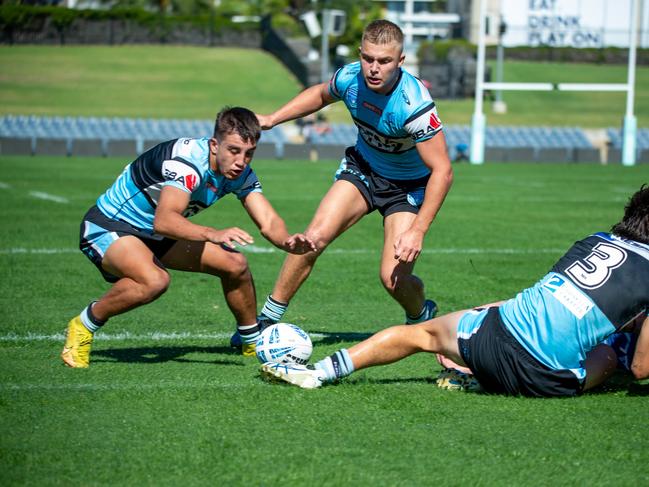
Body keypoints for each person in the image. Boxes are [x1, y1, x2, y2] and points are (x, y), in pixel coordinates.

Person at [261, 185, 649, 397]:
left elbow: (551, 297)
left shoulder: (593, 240)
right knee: (607, 353)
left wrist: (484, 312)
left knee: (420, 335)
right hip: (545, 377)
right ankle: (485, 376)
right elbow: (641, 369)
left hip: (494, 337)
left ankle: (319, 373)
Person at [61, 106, 316, 368]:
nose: (241, 161)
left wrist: (287, 241)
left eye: (249, 153)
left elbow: (269, 220)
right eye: (234, 150)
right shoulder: (187, 163)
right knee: (154, 281)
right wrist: (212, 234)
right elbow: (165, 220)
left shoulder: (239, 173)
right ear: (215, 145)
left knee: (234, 264)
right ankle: (84, 325)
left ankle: (250, 340)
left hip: (155, 234)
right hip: (110, 226)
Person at [251, 20, 453, 339]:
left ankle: (420, 313)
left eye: (384, 61)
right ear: (360, 53)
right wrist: (273, 119)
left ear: (400, 61)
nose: (374, 68)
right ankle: (265, 320)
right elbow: (320, 95)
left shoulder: (414, 105)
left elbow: (443, 170)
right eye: (368, 58)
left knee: (392, 278)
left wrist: (418, 231)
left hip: (406, 188)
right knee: (311, 239)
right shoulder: (349, 77)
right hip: (364, 169)